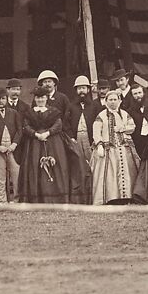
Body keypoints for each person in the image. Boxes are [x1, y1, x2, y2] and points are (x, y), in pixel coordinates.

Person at [38, 70, 88, 202]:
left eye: (50, 81)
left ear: (55, 83)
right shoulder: (38, 98)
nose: (47, 84)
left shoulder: (62, 98)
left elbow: (67, 117)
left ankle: (65, 194)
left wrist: (68, 135)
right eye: (45, 82)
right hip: (43, 137)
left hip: (59, 136)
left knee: (63, 164)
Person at [17, 89, 72, 204]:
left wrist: (47, 133)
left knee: (56, 166)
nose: (40, 100)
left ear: (46, 98)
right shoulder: (30, 112)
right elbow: (26, 126)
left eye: (42, 98)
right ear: (35, 99)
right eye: (38, 98)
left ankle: (56, 197)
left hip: (53, 142)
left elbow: (58, 125)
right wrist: (36, 135)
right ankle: (37, 198)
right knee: (34, 166)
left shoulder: (54, 111)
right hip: (34, 144)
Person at [92, 89, 139, 204]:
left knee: (128, 171)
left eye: (115, 99)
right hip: (108, 148)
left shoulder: (124, 114)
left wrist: (123, 128)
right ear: (106, 102)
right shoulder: (101, 115)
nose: (113, 102)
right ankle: (111, 197)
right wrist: (99, 144)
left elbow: (132, 126)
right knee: (109, 173)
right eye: (110, 100)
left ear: (119, 101)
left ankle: (127, 195)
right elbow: (96, 130)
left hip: (124, 147)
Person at [0, 86, 24, 203]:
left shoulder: (14, 113)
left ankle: (17, 200)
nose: (1, 101)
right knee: (0, 178)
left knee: (16, 176)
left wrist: (14, 144)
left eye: (3, 98)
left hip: (13, 149)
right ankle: (2, 201)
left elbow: (20, 130)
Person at [65, 75, 97, 187]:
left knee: (93, 163)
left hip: (91, 139)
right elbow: (66, 123)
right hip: (76, 139)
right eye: (79, 88)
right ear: (76, 90)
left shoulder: (94, 105)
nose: (81, 91)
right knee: (79, 164)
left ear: (88, 89)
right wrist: (71, 137)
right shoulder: (71, 106)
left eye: (83, 88)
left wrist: (96, 138)